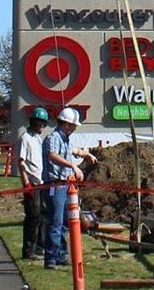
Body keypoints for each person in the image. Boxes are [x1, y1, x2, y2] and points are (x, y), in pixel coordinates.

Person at [42, 107, 98, 269]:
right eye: (73, 125)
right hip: (55, 184)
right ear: (66, 124)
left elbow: (71, 150)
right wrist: (73, 166)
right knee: (56, 221)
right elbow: (52, 155)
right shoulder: (53, 138)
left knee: (66, 221)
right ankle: (51, 258)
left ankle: (61, 254)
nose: (74, 128)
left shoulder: (65, 139)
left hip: (65, 185)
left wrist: (85, 154)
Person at [18, 107, 50, 259]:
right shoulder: (26, 138)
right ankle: (28, 249)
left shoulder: (39, 139)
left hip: (41, 181)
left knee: (44, 215)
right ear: (35, 123)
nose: (42, 127)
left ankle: (40, 246)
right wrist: (26, 182)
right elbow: (21, 162)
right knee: (33, 216)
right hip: (31, 182)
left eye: (43, 124)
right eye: (40, 123)